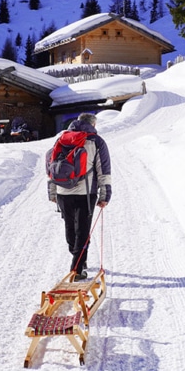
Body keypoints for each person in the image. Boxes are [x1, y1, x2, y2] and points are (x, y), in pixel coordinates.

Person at [48, 112, 111, 281]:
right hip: (86, 193)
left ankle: (79, 261)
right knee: (82, 231)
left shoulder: (61, 139)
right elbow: (103, 170)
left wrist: (52, 192)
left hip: (63, 192)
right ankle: (77, 269)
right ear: (93, 125)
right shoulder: (96, 142)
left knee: (70, 229)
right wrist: (105, 194)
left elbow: (52, 168)